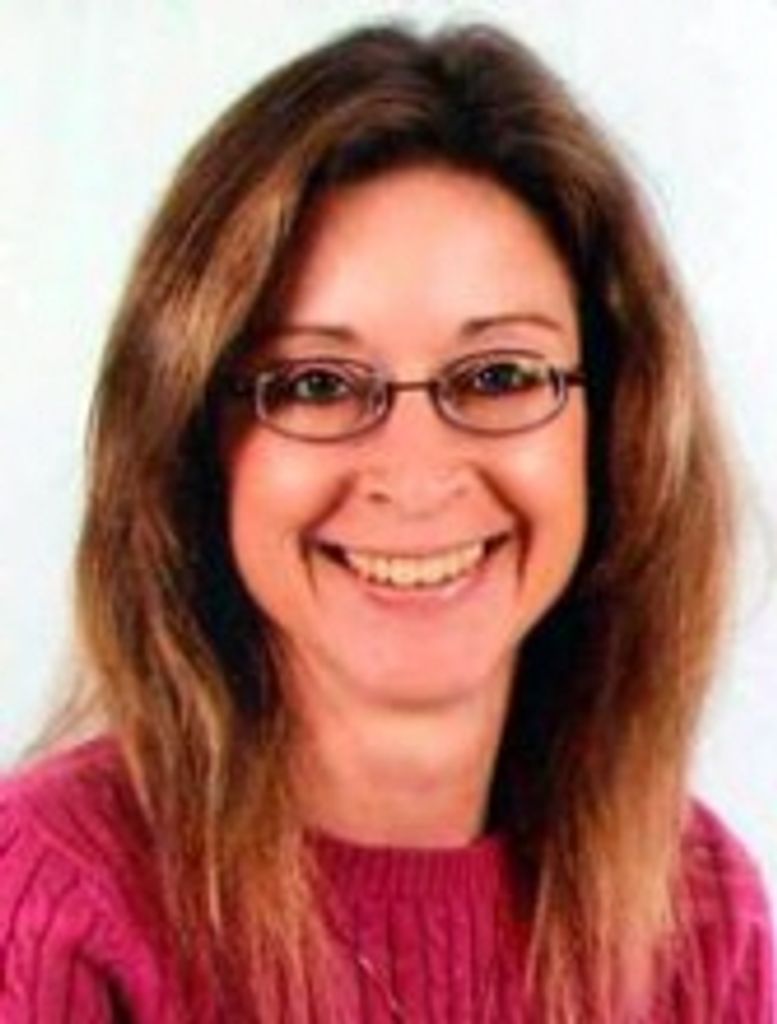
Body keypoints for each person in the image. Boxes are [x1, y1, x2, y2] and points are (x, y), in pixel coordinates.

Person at [0, 21, 773, 1024]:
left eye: (498, 375)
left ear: (616, 427)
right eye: (317, 384)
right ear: (192, 443)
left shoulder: (696, 917)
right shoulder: (50, 906)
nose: (416, 475)